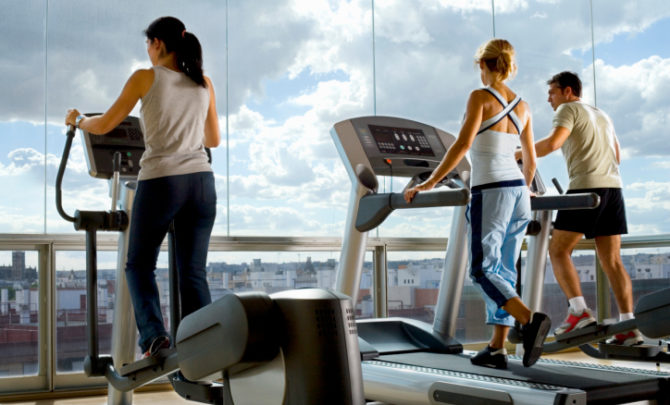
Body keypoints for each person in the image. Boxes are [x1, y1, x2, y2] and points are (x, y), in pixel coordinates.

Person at [65, 16, 221, 357]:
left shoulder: (145, 77)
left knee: (139, 265)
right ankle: (205, 345)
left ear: (158, 44)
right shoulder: (203, 82)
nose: (148, 52)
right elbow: (213, 139)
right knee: (193, 272)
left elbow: (105, 124)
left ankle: (155, 337)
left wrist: (77, 120)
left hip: (163, 180)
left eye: (148, 45)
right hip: (202, 182)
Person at [404, 38, 551, 368]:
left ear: (483, 65)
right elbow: (530, 159)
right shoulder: (524, 106)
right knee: (503, 270)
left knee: (483, 270)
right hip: (517, 192)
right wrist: (523, 189)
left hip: (492, 191)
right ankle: (497, 347)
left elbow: (461, 145)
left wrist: (429, 182)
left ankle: (529, 321)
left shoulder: (479, 97)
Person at [518, 71, 642, 345]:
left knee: (558, 249)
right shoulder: (601, 114)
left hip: (586, 187)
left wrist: (517, 154)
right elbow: (617, 156)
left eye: (552, 92)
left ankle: (578, 311)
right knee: (612, 260)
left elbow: (552, 143)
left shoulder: (567, 109)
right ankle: (627, 325)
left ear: (568, 91)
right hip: (613, 188)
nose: (549, 98)